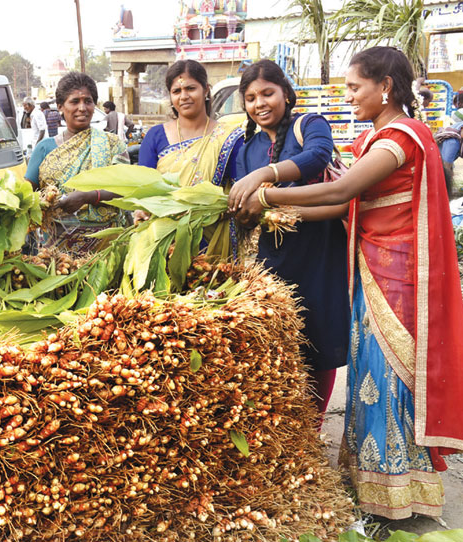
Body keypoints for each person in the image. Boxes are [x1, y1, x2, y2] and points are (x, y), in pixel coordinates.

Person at [235, 46, 463, 520]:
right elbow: (340, 208)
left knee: (391, 380)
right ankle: (375, 489)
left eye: (355, 87)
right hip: (370, 273)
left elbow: (341, 191)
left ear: (385, 87)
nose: (349, 95)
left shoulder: (402, 137)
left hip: (399, 280)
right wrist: (272, 213)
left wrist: (267, 191)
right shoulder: (372, 142)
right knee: (367, 380)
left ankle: (404, 498)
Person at [229, 59, 349, 419]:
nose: (260, 104)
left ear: (286, 93)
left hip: (318, 248)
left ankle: (313, 424)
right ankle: (289, 424)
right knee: (281, 337)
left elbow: (317, 157)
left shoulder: (308, 124)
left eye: (268, 93)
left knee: (319, 333)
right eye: (250, 98)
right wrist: (244, 211)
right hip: (273, 253)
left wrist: (265, 176)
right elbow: (241, 198)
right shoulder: (245, 146)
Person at [137, 59, 244, 255]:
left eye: (190, 88)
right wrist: (141, 210)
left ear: (206, 90)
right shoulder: (155, 136)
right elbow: (144, 190)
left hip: (213, 240)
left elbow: (240, 191)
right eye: (176, 91)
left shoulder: (229, 137)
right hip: (166, 241)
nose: (184, 96)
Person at [25, 71, 129, 253]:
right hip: (56, 253)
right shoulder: (44, 148)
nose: (82, 108)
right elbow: (27, 193)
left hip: (106, 247)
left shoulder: (112, 143)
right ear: (60, 107)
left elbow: (126, 189)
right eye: (74, 101)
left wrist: (88, 197)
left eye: (88, 101)